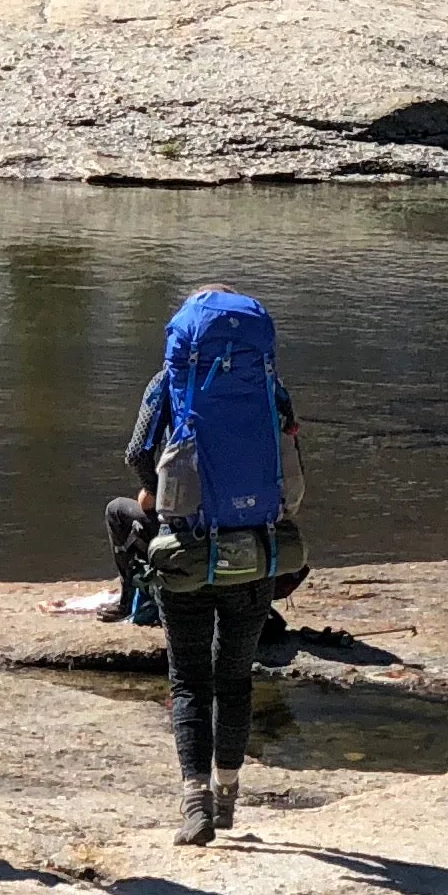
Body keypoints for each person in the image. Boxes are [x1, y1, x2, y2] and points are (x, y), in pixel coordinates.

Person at [109, 285, 304, 846]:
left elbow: (136, 452)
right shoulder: (269, 383)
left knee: (190, 678)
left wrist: (157, 494)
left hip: (187, 548)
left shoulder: (168, 381)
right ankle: (229, 795)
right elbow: (289, 450)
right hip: (258, 553)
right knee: (236, 677)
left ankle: (194, 801)